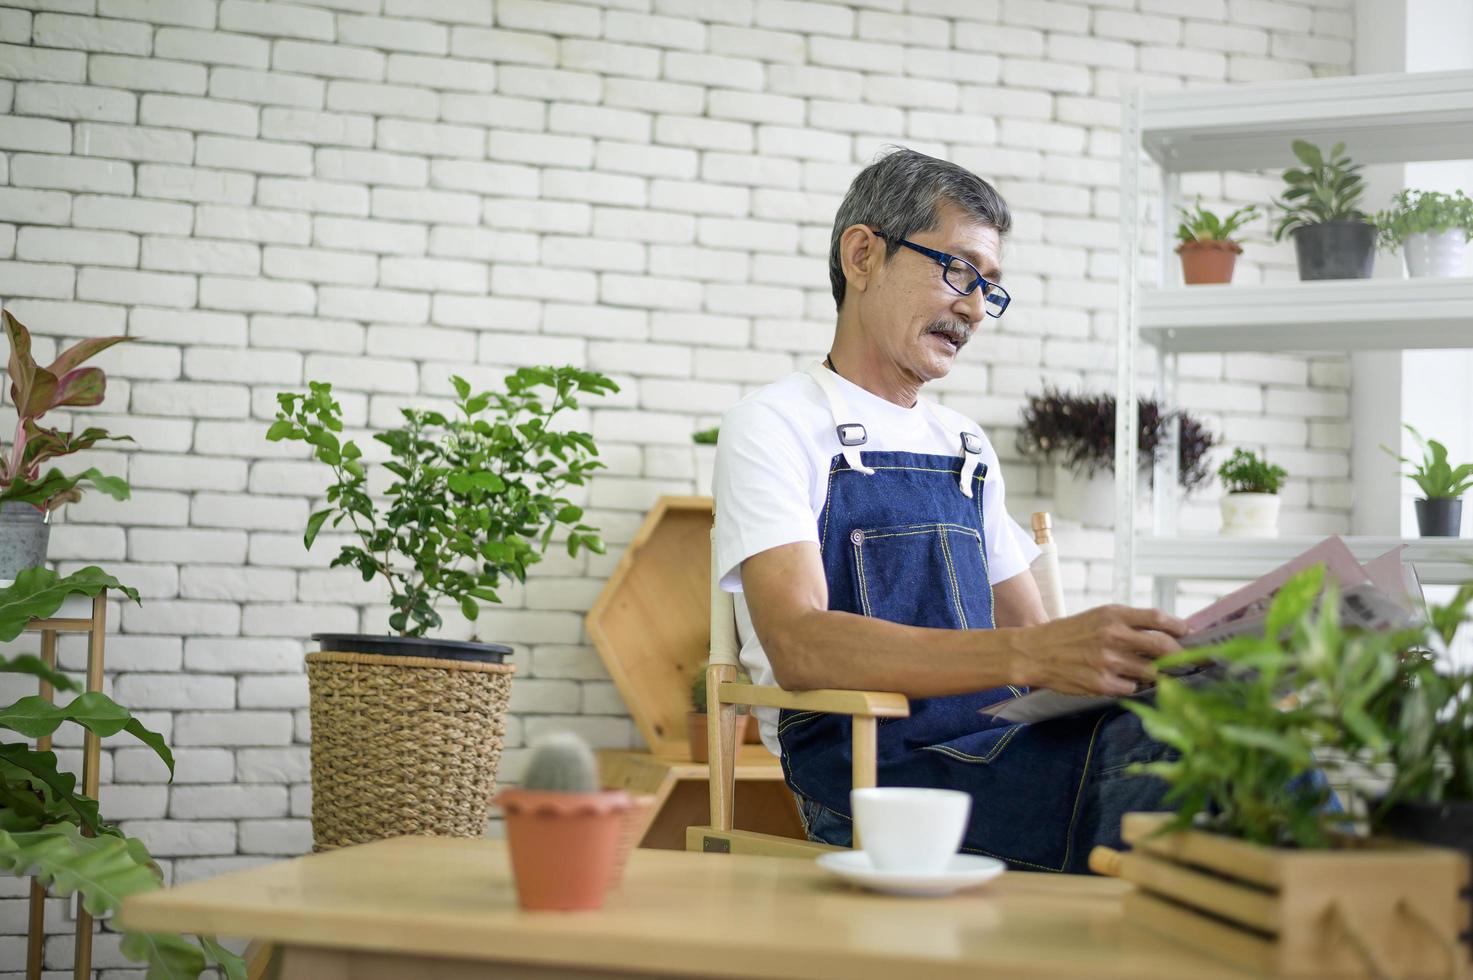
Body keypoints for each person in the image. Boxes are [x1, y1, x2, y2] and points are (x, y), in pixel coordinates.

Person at [711, 147, 1191, 874]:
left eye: (988, 287)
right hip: (875, 777)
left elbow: (1035, 637)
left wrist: (1145, 660)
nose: (972, 307)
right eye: (956, 270)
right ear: (863, 254)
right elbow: (800, 644)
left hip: (995, 750)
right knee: (1171, 771)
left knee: (1201, 720)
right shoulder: (775, 423)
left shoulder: (962, 443)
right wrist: (1033, 654)